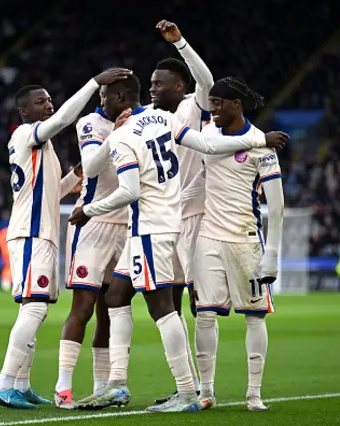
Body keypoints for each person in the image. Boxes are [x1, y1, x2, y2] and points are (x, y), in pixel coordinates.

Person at [68, 73, 289, 412]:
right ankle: (116, 383)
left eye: (105, 98)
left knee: (161, 308)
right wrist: (258, 141)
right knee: (116, 293)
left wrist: (89, 210)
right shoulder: (163, 119)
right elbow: (210, 147)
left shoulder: (127, 137)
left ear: (122, 97)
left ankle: (187, 391)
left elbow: (129, 191)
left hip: (152, 228)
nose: (101, 104)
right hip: (156, 226)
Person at [0, 67, 132, 409]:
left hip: (44, 235)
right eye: (41, 102)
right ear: (24, 111)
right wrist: (95, 81)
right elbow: (67, 117)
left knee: (35, 308)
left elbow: (56, 192)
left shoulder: (43, 149)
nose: (49, 105)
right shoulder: (25, 134)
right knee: (34, 307)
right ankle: (4, 382)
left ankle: (20, 384)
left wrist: (77, 174)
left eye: (49, 100)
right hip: (31, 234)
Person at [182, 77, 285, 412]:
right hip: (209, 238)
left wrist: (272, 254)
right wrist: (176, 205)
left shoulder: (262, 147)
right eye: (210, 103)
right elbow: (203, 178)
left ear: (235, 105)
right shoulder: (210, 136)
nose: (212, 109)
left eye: (218, 103)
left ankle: (254, 394)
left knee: (254, 317)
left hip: (245, 241)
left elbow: (277, 204)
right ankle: (206, 391)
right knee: (204, 315)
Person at [148, 19, 214, 402]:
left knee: (195, 299)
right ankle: (184, 385)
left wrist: (181, 43)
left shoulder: (193, 106)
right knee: (169, 304)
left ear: (178, 87)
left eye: (158, 83)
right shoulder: (150, 118)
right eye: (151, 83)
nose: (152, 88)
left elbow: (206, 80)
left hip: (193, 217)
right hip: (162, 221)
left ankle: (204, 388)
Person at [54, 99, 127, 409]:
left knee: (110, 311)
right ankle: (63, 387)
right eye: (103, 95)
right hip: (92, 223)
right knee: (82, 308)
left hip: (125, 224)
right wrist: (117, 134)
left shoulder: (138, 121)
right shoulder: (90, 124)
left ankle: (101, 388)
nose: (103, 99)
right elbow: (92, 163)